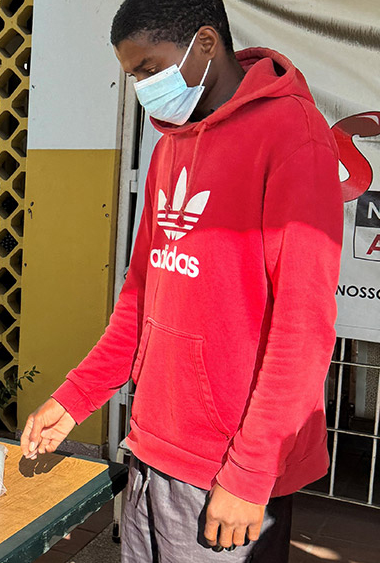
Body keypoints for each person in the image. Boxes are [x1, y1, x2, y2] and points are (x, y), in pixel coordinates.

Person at [20, 1, 343, 561]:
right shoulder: (171, 144)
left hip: (224, 469)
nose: (143, 88)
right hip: (151, 448)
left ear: (205, 43)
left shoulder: (295, 138)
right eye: (133, 75)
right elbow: (141, 300)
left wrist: (248, 473)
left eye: (149, 68)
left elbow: (301, 333)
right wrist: (76, 397)